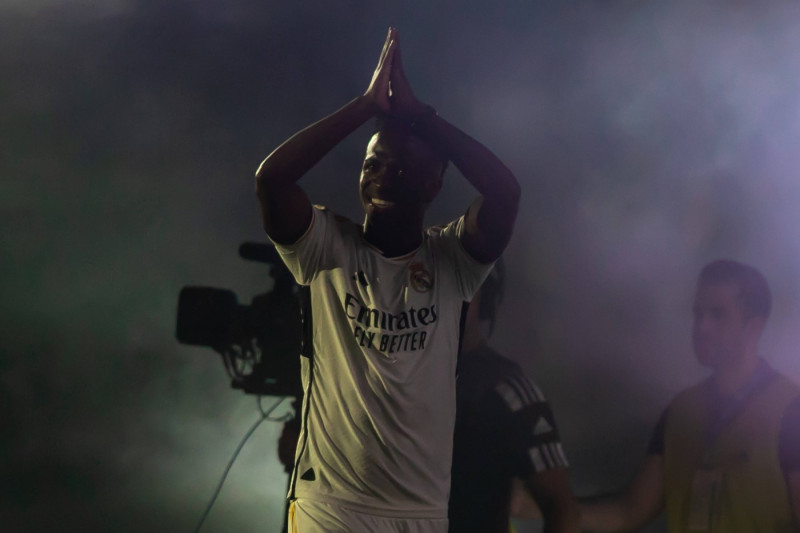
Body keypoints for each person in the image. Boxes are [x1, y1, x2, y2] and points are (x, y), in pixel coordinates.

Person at [255, 27, 520, 532]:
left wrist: (422, 118)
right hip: (329, 506)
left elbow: (505, 193)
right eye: (373, 164)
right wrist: (363, 107)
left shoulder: (452, 259)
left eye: (402, 168)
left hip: (417, 512)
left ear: (434, 184)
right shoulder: (326, 246)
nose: (383, 177)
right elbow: (272, 181)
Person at [580, 259, 800, 532]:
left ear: (753, 327)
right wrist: (552, 505)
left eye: (718, 314)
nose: (701, 328)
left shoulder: (790, 411)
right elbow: (630, 511)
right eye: (698, 314)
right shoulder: (680, 412)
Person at [449, 260, 580, 533]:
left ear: (484, 297)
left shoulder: (508, 390)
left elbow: (563, 509)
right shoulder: (400, 380)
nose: (449, 299)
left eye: (464, 286)